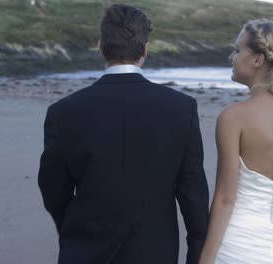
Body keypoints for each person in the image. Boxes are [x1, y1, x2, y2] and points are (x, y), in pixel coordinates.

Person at [38, 4, 209, 264]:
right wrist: (197, 252)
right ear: (145, 49)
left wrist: (74, 230)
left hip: (84, 250)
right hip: (155, 251)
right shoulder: (180, 108)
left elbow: (52, 189)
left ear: (100, 46)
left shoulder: (63, 112)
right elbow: (192, 191)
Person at [199, 18, 273, 264]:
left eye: (237, 49)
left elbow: (225, 199)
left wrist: (205, 259)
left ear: (257, 60)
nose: (232, 56)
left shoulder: (234, 117)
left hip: (239, 249)